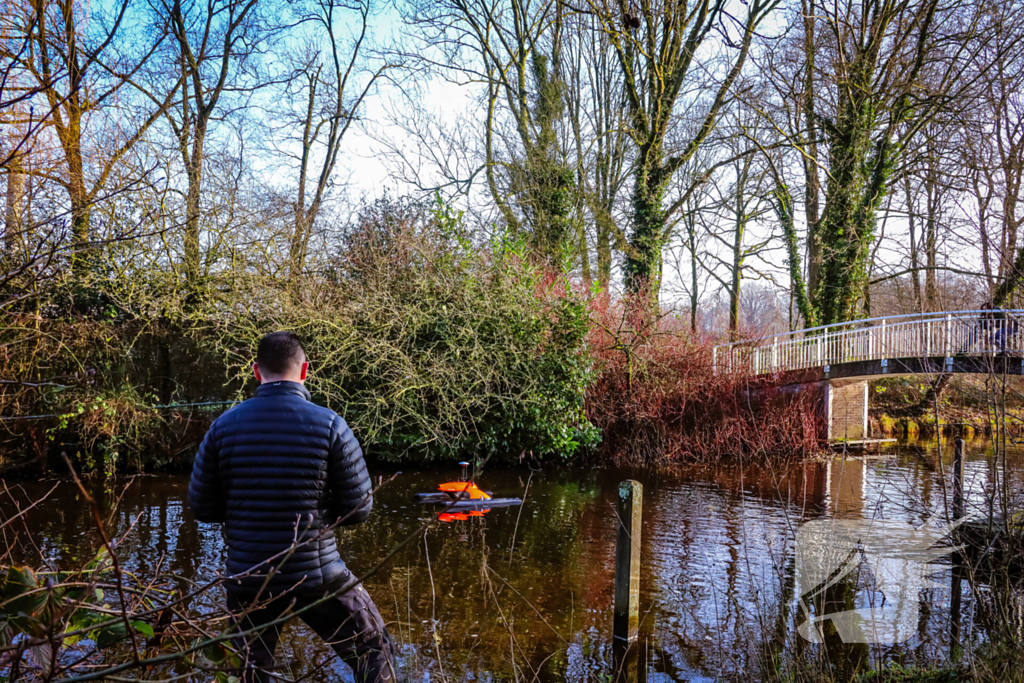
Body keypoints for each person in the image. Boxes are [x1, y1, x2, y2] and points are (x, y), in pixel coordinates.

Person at [188, 331, 395, 683]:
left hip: (249, 575)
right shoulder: (331, 425)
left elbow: (202, 509)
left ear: (256, 371)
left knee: (248, 673)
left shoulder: (222, 428)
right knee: (375, 652)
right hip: (317, 574)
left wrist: (247, 513)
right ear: (305, 371)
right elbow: (358, 509)